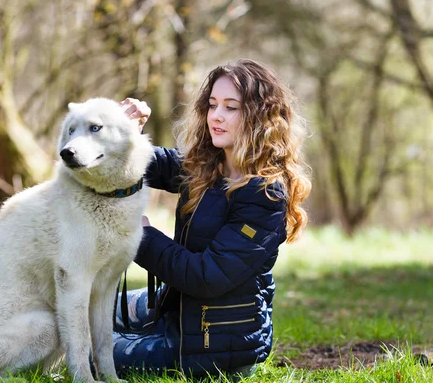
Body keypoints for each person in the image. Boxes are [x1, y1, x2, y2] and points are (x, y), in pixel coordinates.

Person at [114, 59, 311, 379]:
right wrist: (123, 135)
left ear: (260, 117)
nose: (216, 116)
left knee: (82, 345)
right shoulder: (209, 166)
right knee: (89, 306)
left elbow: (207, 276)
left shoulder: (265, 194)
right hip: (178, 309)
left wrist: (143, 236)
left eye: (231, 107)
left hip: (214, 344)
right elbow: (152, 164)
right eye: (212, 104)